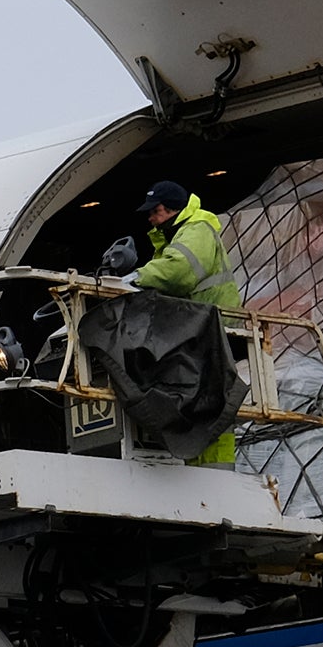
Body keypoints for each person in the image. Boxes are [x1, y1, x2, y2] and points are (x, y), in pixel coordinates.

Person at [129, 181, 241, 464]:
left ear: (165, 209)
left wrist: (134, 278)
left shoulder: (197, 229)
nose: (150, 220)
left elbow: (179, 272)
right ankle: (200, 471)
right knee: (195, 406)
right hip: (196, 334)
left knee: (212, 407)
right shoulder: (174, 237)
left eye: (153, 213)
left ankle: (217, 477)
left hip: (213, 332)